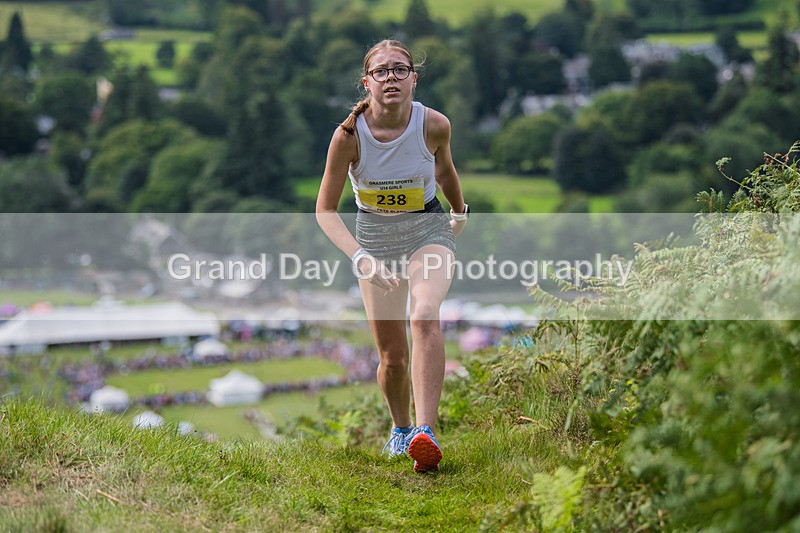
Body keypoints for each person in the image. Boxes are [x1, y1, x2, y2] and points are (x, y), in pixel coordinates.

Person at [316, 39, 468, 473]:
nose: (391, 78)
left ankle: (426, 432)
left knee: (424, 315)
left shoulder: (433, 125)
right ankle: (401, 429)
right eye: (381, 72)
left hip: (427, 229)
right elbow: (325, 210)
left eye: (400, 70)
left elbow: (444, 170)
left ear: (413, 79)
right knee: (393, 358)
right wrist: (360, 257)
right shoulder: (348, 137)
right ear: (366, 83)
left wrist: (460, 212)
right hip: (375, 242)